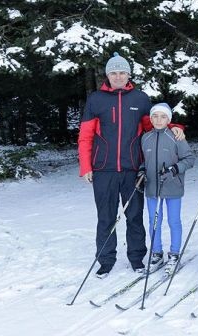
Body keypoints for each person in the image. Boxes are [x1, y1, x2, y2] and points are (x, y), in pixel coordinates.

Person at [78, 52, 185, 278]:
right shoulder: (96, 99)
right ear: (108, 75)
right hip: (103, 169)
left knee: (134, 216)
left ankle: (137, 258)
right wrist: (86, 166)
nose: (118, 76)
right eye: (114, 73)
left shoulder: (140, 99)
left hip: (133, 169)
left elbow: (154, 124)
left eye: (122, 72)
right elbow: (86, 135)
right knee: (106, 216)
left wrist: (175, 126)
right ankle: (106, 260)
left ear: (128, 74)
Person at [139, 103, 195, 275]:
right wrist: (141, 171)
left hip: (172, 186)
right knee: (154, 221)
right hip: (152, 187)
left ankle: (174, 254)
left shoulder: (176, 137)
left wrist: (174, 169)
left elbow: (189, 159)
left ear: (169, 119)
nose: (158, 120)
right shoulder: (145, 138)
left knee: (173, 221)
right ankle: (156, 253)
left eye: (163, 117)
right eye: (155, 116)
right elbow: (144, 161)